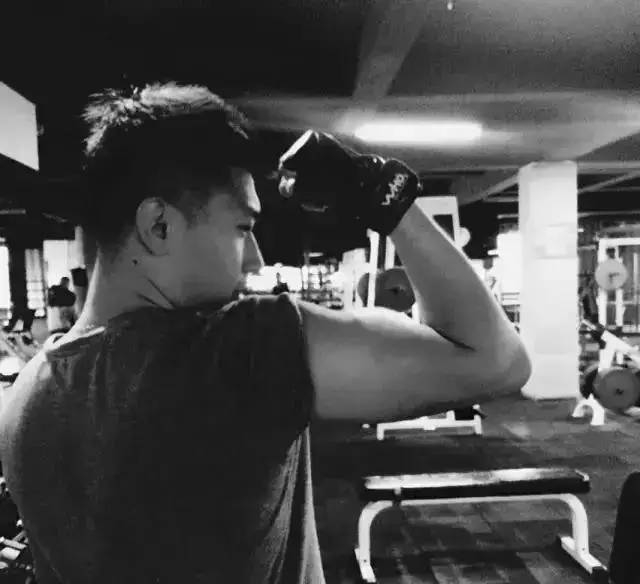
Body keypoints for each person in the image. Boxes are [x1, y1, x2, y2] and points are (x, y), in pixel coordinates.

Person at [0, 83, 531, 584]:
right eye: (243, 229)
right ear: (158, 225)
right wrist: (382, 196)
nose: (254, 259)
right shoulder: (237, 348)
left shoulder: (28, 397)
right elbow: (495, 360)